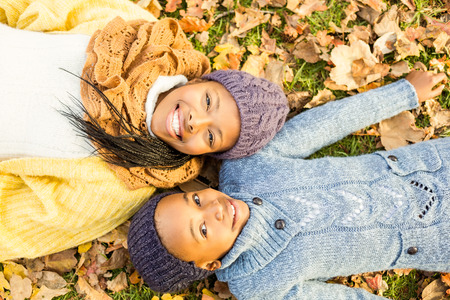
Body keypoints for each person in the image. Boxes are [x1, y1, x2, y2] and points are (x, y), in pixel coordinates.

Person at [127, 71, 449, 299]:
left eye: (196, 201)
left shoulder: (247, 167)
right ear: (209, 264)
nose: (215, 209)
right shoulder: (257, 286)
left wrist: (401, 94)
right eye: (203, 230)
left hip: (432, 166)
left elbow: (324, 126)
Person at [0, 17, 288, 261]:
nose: (195, 121)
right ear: (201, 80)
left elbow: (18, 224)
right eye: (208, 101)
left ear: (206, 154)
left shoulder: (120, 183)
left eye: (211, 136)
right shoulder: (142, 36)